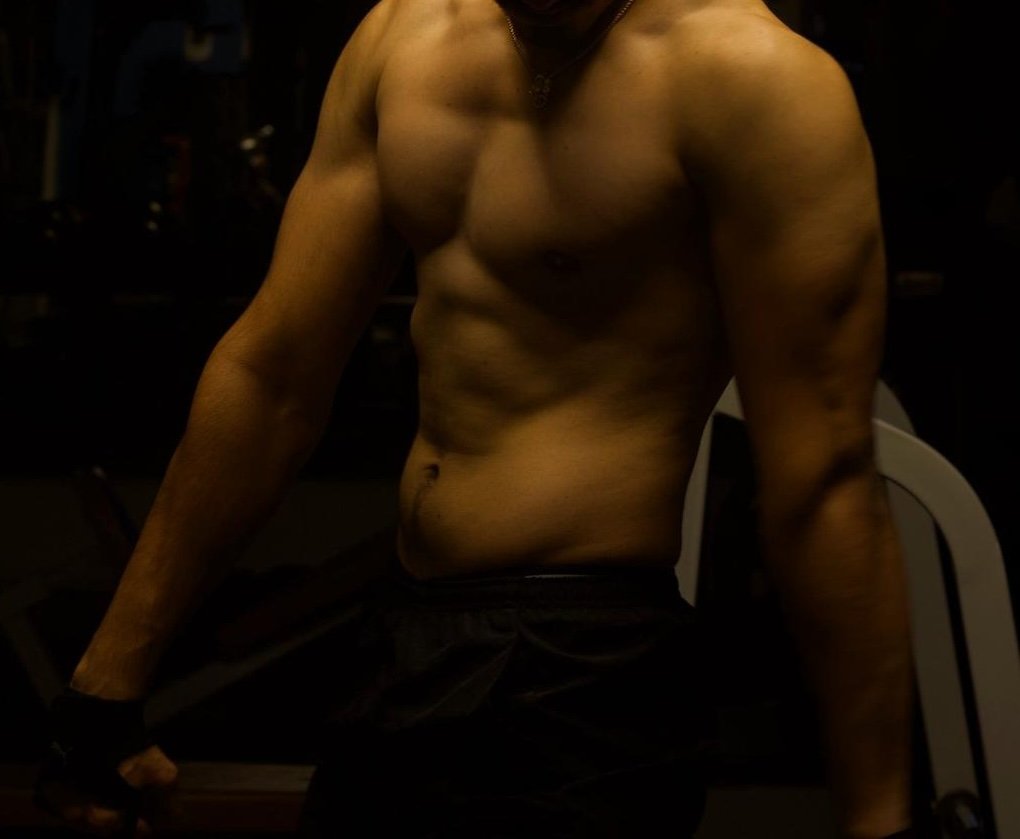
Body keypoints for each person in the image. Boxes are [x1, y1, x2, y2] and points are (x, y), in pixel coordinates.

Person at [35, 0, 918, 836]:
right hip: (402, 640)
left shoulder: (755, 79)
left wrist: (878, 818)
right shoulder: (403, 37)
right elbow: (274, 376)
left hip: (583, 671)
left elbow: (823, 482)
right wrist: (106, 684)